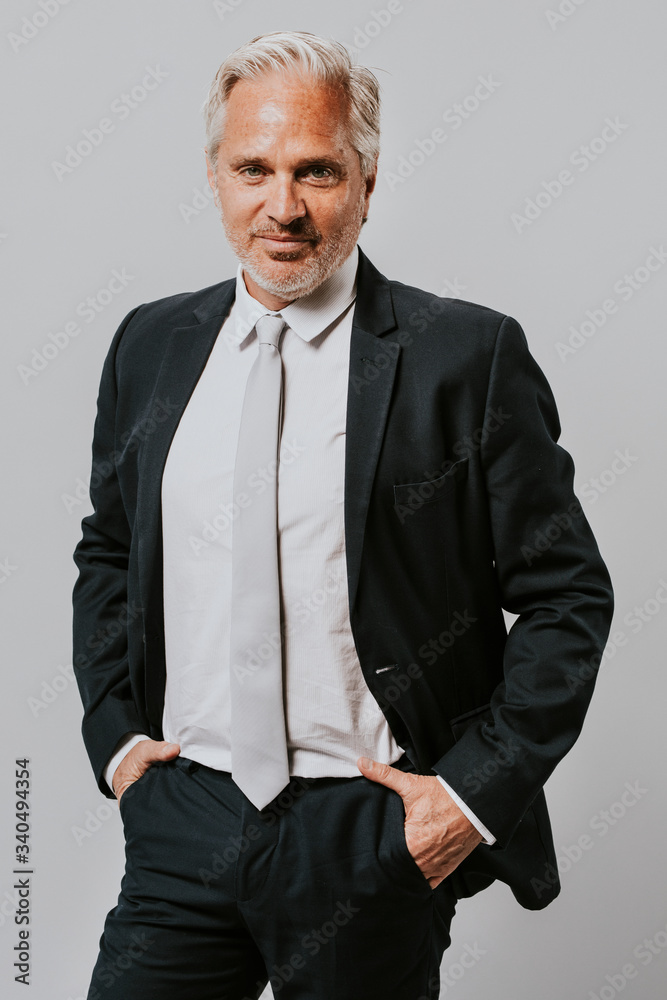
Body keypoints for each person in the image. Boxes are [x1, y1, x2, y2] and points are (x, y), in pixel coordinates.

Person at [72, 29, 614, 1000]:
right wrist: (115, 740)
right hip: (183, 821)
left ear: (366, 178)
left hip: (364, 836)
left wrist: (464, 799)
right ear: (214, 175)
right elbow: (109, 547)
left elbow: (566, 595)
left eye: (316, 170)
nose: (282, 206)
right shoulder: (152, 344)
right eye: (254, 169)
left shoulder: (463, 357)